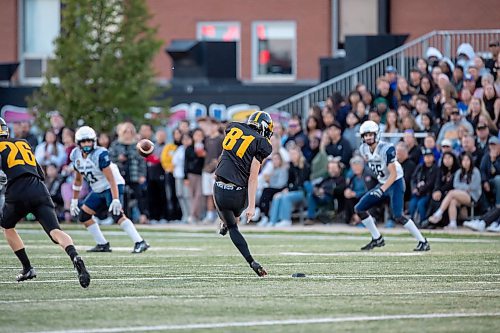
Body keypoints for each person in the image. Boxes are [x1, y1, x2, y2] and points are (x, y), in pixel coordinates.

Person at [0, 117, 90, 287]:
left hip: (17, 190)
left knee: (7, 227)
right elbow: (40, 172)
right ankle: (74, 255)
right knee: (55, 231)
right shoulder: (23, 142)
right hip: (39, 188)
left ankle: (27, 267)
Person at [70, 126, 150, 253]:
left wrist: (116, 198)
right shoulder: (76, 155)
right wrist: (74, 200)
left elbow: (111, 178)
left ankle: (140, 242)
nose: (87, 144)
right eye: (84, 141)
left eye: (89, 141)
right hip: (98, 188)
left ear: (94, 141)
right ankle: (102, 244)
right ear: (78, 143)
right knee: (84, 216)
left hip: (112, 185)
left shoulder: (100, 154)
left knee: (117, 215)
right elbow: (78, 179)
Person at [354, 120, 430, 251]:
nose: (368, 137)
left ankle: (423, 241)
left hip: (395, 183)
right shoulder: (363, 149)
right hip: (383, 181)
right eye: (365, 135)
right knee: (360, 208)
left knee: (398, 215)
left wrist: (381, 189)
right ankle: (377, 238)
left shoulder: (386, 149)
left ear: (377, 134)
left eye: (370, 134)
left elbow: (393, 174)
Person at [214, 111, 273, 277]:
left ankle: (226, 223)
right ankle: (229, 222)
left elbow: (225, 154)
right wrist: (252, 206)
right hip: (237, 194)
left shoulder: (234, 127)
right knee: (235, 218)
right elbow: (253, 177)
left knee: (233, 226)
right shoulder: (262, 142)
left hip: (218, 188)